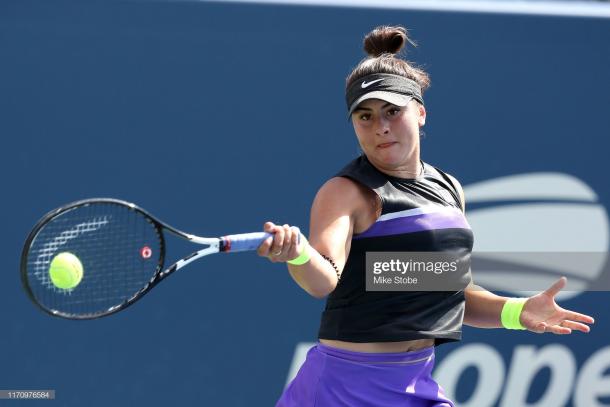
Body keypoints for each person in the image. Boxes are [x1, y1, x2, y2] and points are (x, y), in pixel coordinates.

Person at [257, 25, 595, 407]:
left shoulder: (448, 189)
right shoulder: (346, 192)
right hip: (342, 389)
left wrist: (517, 311)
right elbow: (323, 280)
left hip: (415, 384)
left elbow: (449, 291)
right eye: (364, 116)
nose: (381, 127)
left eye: (392, 111)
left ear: (420, 112)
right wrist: (298, 253)